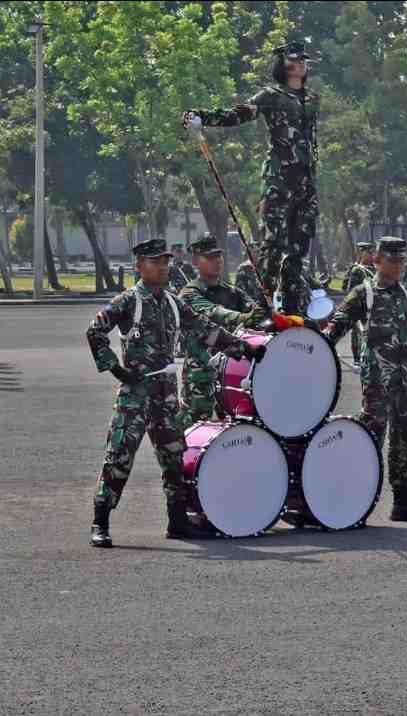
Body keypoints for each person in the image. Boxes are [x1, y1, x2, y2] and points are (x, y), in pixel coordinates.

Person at [86, 238, 265, 548]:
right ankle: (100, 522)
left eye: (166, 261)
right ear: (139, 266)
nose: (163, 267)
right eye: (156, 262)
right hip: (135, 393)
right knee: (119, 456)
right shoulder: (128, 301)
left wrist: (244, 348)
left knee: (174, 457)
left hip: (166, 395)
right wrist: (116, 368)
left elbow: (205, 329)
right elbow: (95, 330)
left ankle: (178, 521)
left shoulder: (172, 302)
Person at [183, 41, 319, 315]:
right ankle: (263, 310)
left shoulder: (312, 99)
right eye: (295, 60)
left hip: (306, 186)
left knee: (298, 252)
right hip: (279, 182)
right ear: (282, 64)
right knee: (273, 247)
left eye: (304, 60)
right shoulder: (271, 96)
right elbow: (239, 114)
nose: (301, 64)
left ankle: (292, 311)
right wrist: (202, 117)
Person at [322, 237, 407, 523]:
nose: (398, 266)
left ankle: (402, 501)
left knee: (403, 438)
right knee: (372, 437)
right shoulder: (364, 293)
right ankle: (356, 500)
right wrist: (316, 348)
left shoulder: (403, 292)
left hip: (405, 379)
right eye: (392, 261)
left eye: (401, 261)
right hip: (377, 380)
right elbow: (337, 326)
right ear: (377, 261)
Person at [176, 233, 266, 429]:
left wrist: (263, 310)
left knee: (235, 428)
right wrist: (243, 318)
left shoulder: (231, 291)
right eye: (209, 257)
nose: (216, 261)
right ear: (195, 262)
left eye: (218, 256)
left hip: (232, 371)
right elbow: (213, 312)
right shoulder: (190, 293)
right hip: (201, 374)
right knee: (195, 427)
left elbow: (254, 311)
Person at [343, 242, 376, 372]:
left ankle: (369, 359)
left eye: (372, 253)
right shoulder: (357, 270)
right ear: (362, 253)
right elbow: (352, 290)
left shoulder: (375, 269)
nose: (371, 255)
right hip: (359, 307)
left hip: (372, 308)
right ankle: (357, 360)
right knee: (357, 334)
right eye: (368, 253)